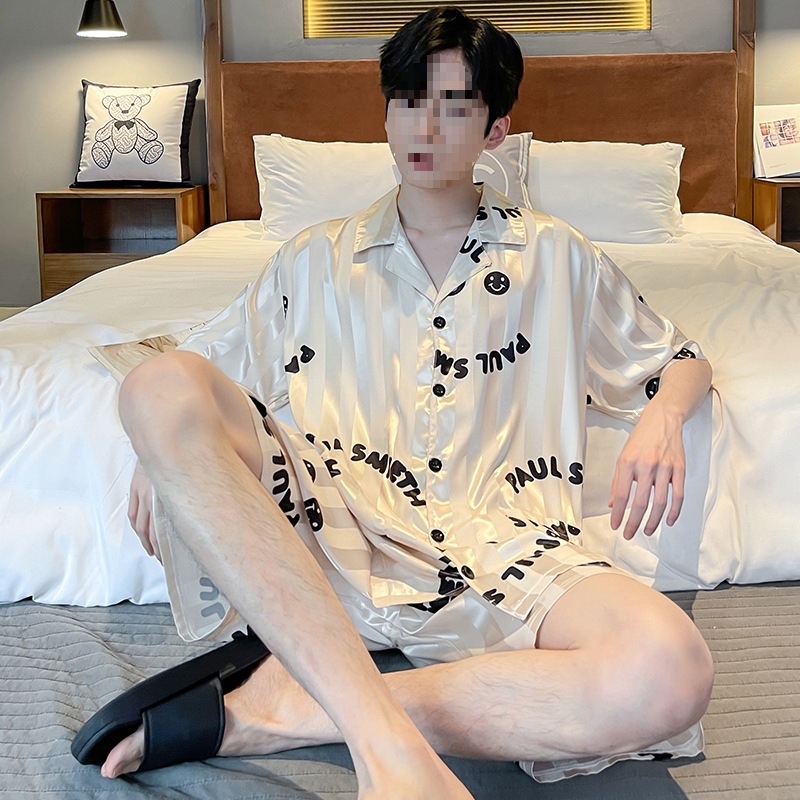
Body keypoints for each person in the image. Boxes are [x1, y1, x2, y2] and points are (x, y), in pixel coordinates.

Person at [98, 6, 714, 797]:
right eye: (408, 100)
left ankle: (301, 705)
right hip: (334, 523)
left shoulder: (556, 256)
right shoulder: (310, 260)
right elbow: (191, 376)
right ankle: (376, 736)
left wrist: (663, 414)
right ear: (386, 115)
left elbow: (679, 358)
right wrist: (163, 452)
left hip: (506, 539)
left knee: (672, 672)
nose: (425, 126)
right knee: (155, 387)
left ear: (495, 129)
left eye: (455, 105)